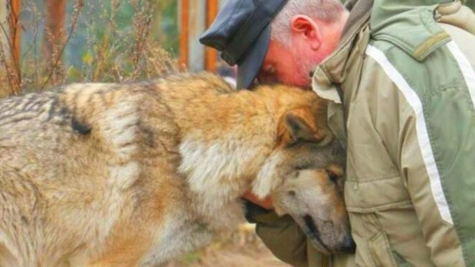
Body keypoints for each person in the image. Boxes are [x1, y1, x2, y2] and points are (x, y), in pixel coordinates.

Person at [200, 0, 475, 266]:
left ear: (307, 31)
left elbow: (465, 241)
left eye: (271, 73)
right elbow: (348, 254)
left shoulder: (413, 74)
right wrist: (272, 208)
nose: (273, 91)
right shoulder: (342, 94)